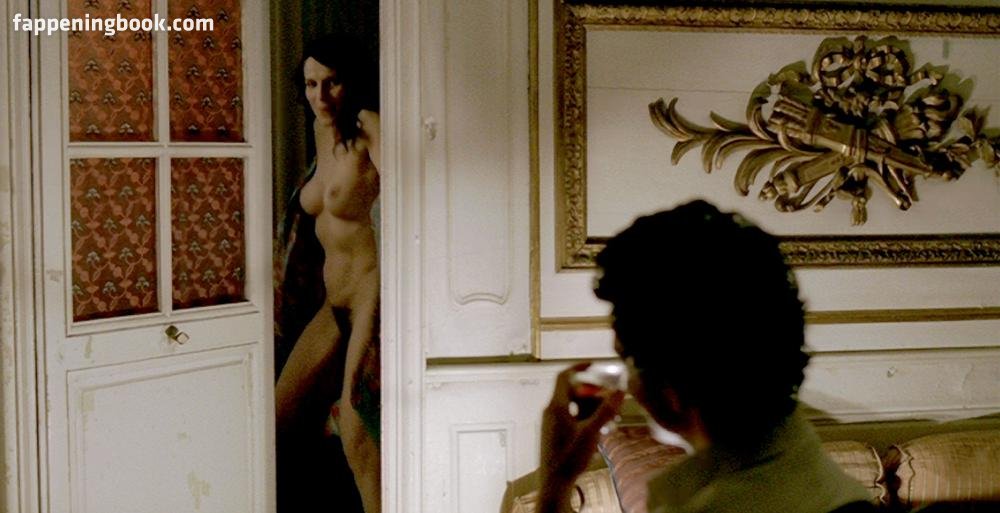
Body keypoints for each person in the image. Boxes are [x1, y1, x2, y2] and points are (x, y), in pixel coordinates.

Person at [537, 200, 877, 513]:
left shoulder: (712, 507)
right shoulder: (821, 477)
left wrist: (555, 483)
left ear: (670, 387)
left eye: (626, 359)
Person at [274, 35, 380, 513]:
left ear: (350, 82)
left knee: (357, 433)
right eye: (311, 84)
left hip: (369, 297)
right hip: (331, 302)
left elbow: (412, 197)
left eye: (331, 82)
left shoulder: (369, 126)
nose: (320, 95)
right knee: (280, 416)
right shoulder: (321, 132)